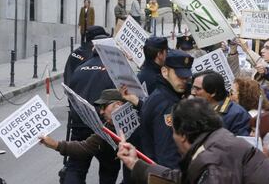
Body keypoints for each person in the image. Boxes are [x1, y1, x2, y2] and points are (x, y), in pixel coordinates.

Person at [117, 98, 269, 183]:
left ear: (182, 135)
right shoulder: (219, 140)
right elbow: (183, 179)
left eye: (173, 132)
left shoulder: (214, 163)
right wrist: (134, 163)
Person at [40, 89, 125, 184]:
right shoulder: (107, 128)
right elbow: (85, 147)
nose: (101, 112)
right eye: (100, 107)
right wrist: (55, 144)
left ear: (119, 105)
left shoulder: (139, 121)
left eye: (104, 106)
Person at [62, 34, 115, 184]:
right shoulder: (113, 70)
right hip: (105, 127)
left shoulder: (80, 68)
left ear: (93, 48)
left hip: (80, 124)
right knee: (108, 169)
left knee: (76, 167)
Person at [139, 49, 194, 169]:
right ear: (164, 71)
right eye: (179, 76)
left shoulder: (163, 95)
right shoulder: (167, 104)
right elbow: (168, 154)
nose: (184, 80)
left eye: (186, 77)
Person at [191, 70, 250, 136]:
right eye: (193, 88)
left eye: (198, 89)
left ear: (213, 92)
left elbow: (240, 143)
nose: (193, 92)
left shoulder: (237, 114)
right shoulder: (195, 108)